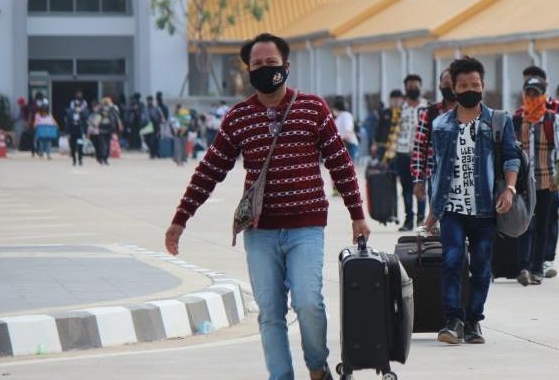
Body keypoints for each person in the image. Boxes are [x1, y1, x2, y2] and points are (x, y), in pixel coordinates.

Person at [165, 32, 369, 380]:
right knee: (270, 314)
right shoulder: (238, 117)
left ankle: (318, 368)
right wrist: (180, 219)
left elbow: (340, 163)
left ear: (285, 67)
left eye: (270, 63)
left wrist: (357, 214)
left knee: (309, 303)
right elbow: (209, 170)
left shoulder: (313, 108)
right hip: (260, 233)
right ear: (248, 71)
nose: (263, 69)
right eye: (256, 64)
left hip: (305, 228)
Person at [424, 56, 520, 345]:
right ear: (453, 88)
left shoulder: (498, 121)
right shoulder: (440, 124)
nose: (470, 89)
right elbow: (438, 171)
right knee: (451, 260)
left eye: (475, 84)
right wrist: (434, 210)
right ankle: (453, 320)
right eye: (463, 85)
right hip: (453, 209)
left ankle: (474, 321)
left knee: (481, 264)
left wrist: (510, 190)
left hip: (486, 209)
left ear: (483, 86)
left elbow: (512, 157)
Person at [517, 66, 559, 278]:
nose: (532, 98)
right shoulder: (517, 119)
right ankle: (523, 266)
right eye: (529, 94)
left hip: (546, 181)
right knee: (524, 225)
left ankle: (537, 267)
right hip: (521, 183)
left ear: (543, 95)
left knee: (542, 226)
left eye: (536, 94)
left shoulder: (553, 120)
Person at [412, 68, 459, 208]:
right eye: (446, 84)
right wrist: (418, 180)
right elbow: (419, 148)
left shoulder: (472, 112)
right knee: (439, 221)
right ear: (440, 86)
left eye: (453, 84)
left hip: (465, 177)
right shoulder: (430, 113)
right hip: (436, 177)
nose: (450, 88)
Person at [389, 74, 427, 231]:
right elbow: (391, 132)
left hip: (421, 154)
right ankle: (409, 219)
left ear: (420, 87)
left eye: (416, 86)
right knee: (406, 188)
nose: (413, 89)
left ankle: (421, 220)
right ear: (405, 88)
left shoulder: (427, 107)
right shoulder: (399, 109)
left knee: (421, 187)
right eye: (410, 87)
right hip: (402, 153)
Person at [372, 89, 404, 162]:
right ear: (390, 100)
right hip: (385, 145)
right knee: (384, 168)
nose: (396, 101)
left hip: (400, 146)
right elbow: (379, 129)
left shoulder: (405, 112)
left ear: (402, 100)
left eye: (398, 99)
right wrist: (375, 144)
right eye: (394, 99)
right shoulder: (385, 112)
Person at [331, 96, 359, 160]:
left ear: (336, 108)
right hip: (343, 144)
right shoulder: (339, 117)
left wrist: (340, 139)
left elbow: (348, 130)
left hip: (349, 144)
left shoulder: (346, 115)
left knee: (348, 167)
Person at [65, 92, 89, 166]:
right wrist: (67, 132)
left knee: (80, 145)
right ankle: (74, 160)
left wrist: (81, 112)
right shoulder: (70, 113)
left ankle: (80, 159)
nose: (77, 108)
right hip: (72, 131)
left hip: (80, 130)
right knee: (73, 146)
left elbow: (86, 121)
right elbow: (68, 123)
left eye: (79, 106)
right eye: (76, 106)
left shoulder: (83, 113)